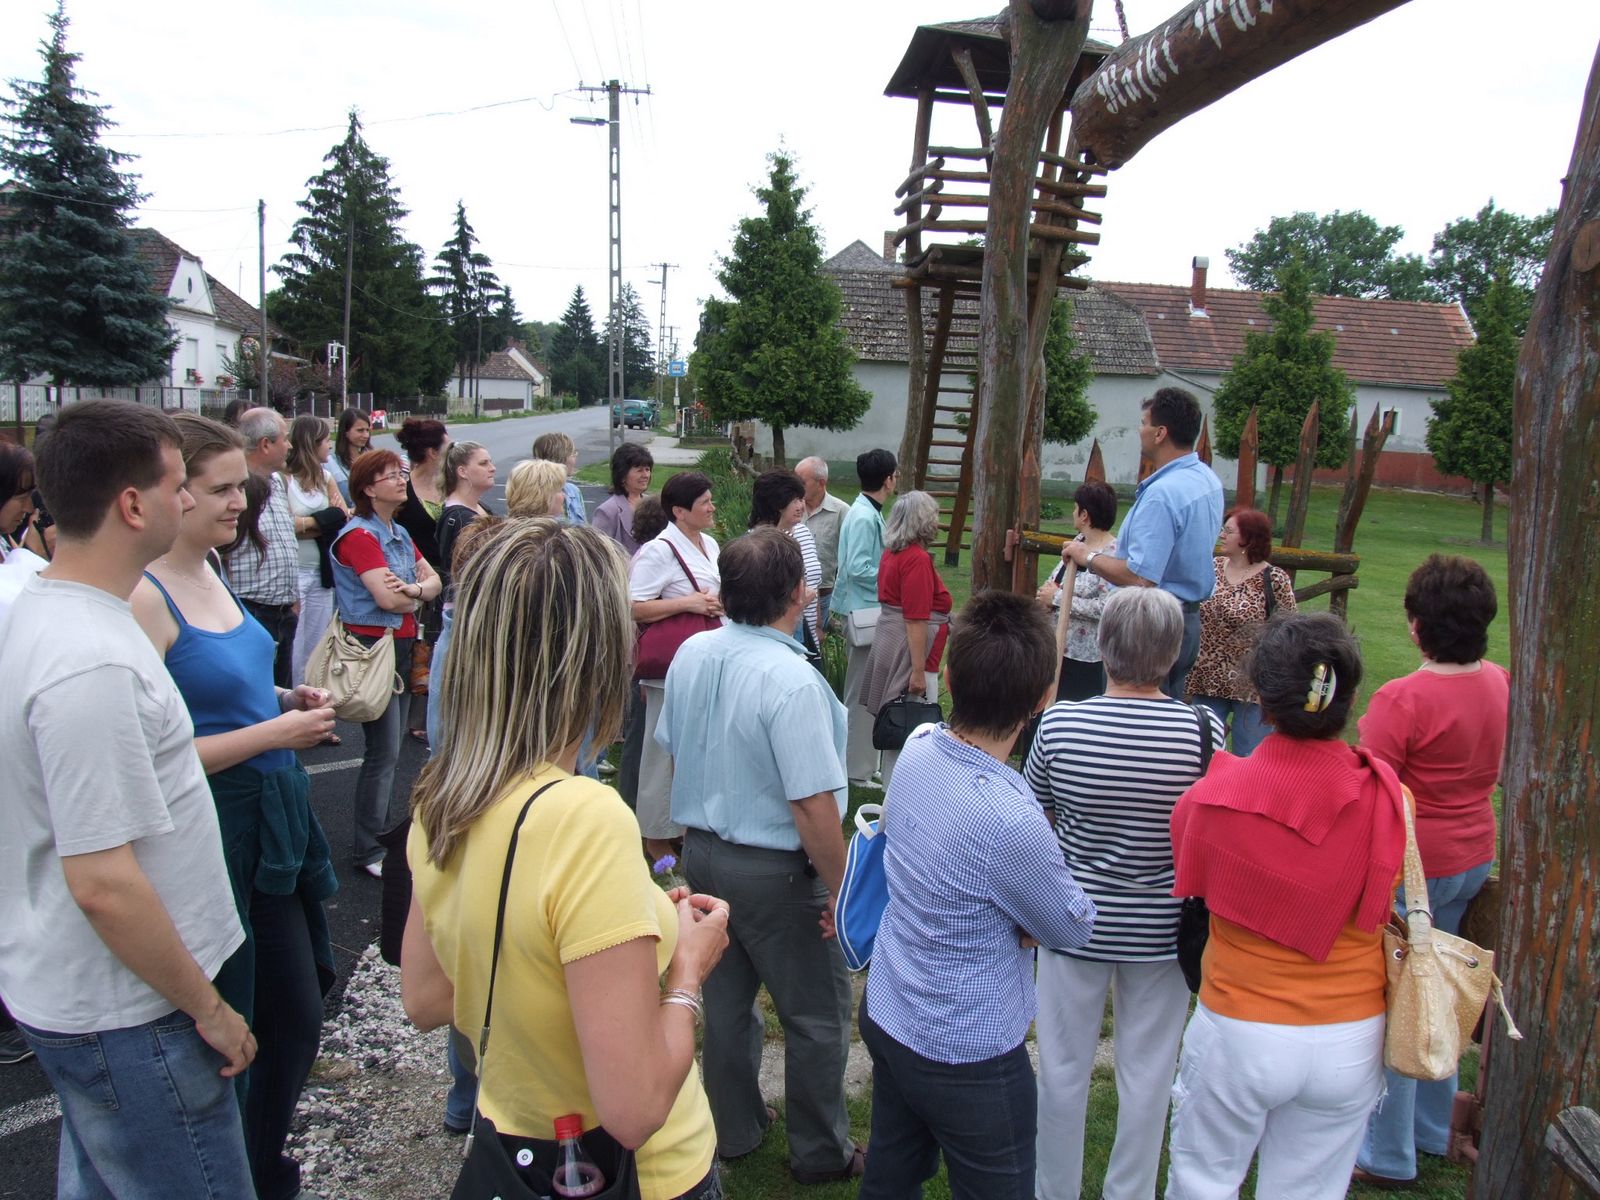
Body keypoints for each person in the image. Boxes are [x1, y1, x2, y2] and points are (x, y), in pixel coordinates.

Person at [401, 518, 731, 1200]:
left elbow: (427, 999)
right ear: (598, 658)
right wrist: (687, 971)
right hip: (641, 1175)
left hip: (515, 1139)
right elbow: (635, 1109)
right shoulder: (584, 818)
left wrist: (624, 928)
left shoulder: (442, 797)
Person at [0, 400, 257, 1196]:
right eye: (180, 485)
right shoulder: (92, 663)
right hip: (133, 1012)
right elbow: (103, 882)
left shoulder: (49, 609)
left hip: (105, 1003)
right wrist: (208, 1008)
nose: (191, 500)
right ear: (133, 505)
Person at [130, 413, 339, 1200]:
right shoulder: (144, 600)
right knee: (243, 1019)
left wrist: (285, 698)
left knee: (297, 1013)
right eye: (220, 489)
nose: (239, 504)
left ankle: (258, 1161)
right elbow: (150, 759)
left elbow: (229, 685)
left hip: (272, 821)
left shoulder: (212, 568)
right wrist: (275, 732)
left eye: (240, 488)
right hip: (218, 832)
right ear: (170, 494)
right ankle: (239, 1173)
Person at [861, 591, 1096, 1200]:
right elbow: (1071, 925)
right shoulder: (1011, 816)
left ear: (951, 674)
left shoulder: (918, 746)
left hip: (891, 1006)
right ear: (1043, 698)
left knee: (890, 1170)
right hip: (967, 1051)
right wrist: (1026, 918)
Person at [1165, 613, 1406, 1200]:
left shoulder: (1205, 802)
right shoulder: (1393, 799)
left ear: (1262, 702)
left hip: (1238, 1029)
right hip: (1351, 1035)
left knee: (1201, 1184)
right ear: (1348, 700)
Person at [657, 527, 863, 1184]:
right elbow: (813, 804)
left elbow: (673, 747)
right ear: (800, 592)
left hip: (705, 852)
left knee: (724, 1004)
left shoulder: (693, 651)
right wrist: (843, 889)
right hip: (776, 870)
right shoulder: (793, 680)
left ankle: (732, 1128)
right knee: (816, 1014)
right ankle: (821, 1153)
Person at [1026, 588, 1223, 1200]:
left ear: (1105, 647)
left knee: (1061, 1069)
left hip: (1073, 922)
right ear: (1173, 651)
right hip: (1162, 930)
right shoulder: (1204, 732)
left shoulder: (1060, 724)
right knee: (1149, 1073)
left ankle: (1053, 1190)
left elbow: (1036, 822)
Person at [1354, 555, 1510, 1189]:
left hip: (1417, 865)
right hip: (1473, 853)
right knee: (1439, 992)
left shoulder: (1404, 698)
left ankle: (1387, 1153)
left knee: (1403, 1002)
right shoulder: (1500, 681)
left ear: (1418, 626)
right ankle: (1433, 1128)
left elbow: (1372, 792)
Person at [1062, 388, 1223, 698]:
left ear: (1160, 433)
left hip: (1150, 629)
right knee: (1166, 714)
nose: (1140, 430)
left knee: (1131, 716)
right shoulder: (1206, 479)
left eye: (1144, 423)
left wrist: (1088, 556)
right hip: (1186, 621)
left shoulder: (1164, 494)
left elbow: (1140, 577)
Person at [330, 449, 442, 877]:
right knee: (384, 752)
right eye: (390, 475)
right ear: (367, 488)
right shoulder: (360, 536)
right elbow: (386, 598)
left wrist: (413, 591)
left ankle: (379, 839)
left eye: (401, 473)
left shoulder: (397, 531)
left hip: (400, 644)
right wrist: (415, 593)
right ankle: (369, 847)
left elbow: (432, 581)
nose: (401, 480)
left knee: (389, 752)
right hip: (374, 647)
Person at [630, 471, 724, 862]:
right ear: (679, 511)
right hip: (670, 663)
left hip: (704, 657)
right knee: (660, 748)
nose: (712, 507)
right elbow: (634, 606)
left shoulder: (710, 544)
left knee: (694, 748)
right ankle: (654, 834)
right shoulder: (659, 551)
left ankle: (684, 826)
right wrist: (689, 603)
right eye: (705, 502)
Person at [1186, 507, 1296, 756]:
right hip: (1207, 679)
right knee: (1203, 753)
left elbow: (1288, 628)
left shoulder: (1274, 579)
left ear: (1248, 537)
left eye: (1228, 531)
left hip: (1252, 684)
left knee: (1251, 755)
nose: (1221, 535)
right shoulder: (1212, 567)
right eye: (1222, 529)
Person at [859, 490, 951, 788]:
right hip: (909, 649)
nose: (937, 522)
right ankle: (901, 792)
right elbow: (915, 618)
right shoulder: (916, 558)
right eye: (933, 516)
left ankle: (892, 788)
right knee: (911, 721)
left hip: (890, 638)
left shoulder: (892, 553)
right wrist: (918, 670)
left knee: (897, 720)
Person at [833, 448, 898, 786]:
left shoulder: (868, 511)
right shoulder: (862, 516)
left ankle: (864, 763)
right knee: (862, 695)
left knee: (871, 692)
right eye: (894, 475)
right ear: (888, 480)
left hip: (867, 611)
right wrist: (893, 577)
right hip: (863, 614)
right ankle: (854, 769)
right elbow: (857, 568)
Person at [225, 407, 302, 689]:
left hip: (283, 611)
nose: (290, 446)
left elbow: (285, 537)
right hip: (251, 609)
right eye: (285, 438)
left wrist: (293, 598)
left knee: (281, 691)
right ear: (265, 444)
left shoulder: (278, 482)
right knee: (254, 690)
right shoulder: (236, 487)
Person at [393, 418, 451, 745]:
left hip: (446, 578)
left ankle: (432, 713)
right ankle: (411, 715)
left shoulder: (448, 486)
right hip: (415, 577)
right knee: (417, 648)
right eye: (446, 445)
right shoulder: (404, 488)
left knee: (439, 646)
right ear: (432, 452)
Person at [281, 415, 349, 689]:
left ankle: (313, 698)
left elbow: (341, 517)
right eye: (324, 440)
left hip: (321, 573)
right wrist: (322, 522)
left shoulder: (325, 478)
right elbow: (285, 526)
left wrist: (306, 524)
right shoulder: (284, 479)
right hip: (295, 571)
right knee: (294, 645)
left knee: (317, 644)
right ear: (311, 443)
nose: (329, 445)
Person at [1036, 480, 1119, 701]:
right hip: (1054, 648)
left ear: (1084, 515)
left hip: (1084, 659)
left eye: (1075, 508)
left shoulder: (1111, 554)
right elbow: (1054, 581)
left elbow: (1107, 607)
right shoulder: (1077, 543)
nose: (1073, 513)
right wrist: (1046, 597)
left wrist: (1057, 598)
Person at [747, 468, 821, 650]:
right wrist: (801, 601)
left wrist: (817, 625)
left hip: (805, 631)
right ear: (776, 502)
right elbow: (758, 602)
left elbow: (813, 582)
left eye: (801, 499)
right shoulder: (756, 545)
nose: (801, 506)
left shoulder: (802, 532)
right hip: (776, 638)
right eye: (794, 500)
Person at [433, 440, 496, 601]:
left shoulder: (479, 506)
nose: (492, 468)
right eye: (483, 463)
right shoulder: (459, 518)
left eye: (490, 462)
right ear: (462, 471)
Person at [794, 455, 849, 632]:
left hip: (824, 593)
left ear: (821, 483)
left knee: (816, 639)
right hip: (790, 594)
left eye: (802, 482)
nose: (796, 486)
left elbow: (849, 555)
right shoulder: (791, 509)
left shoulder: (841, 511)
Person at [592, 441, 655, 555]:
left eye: (647, 469)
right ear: (622, 475)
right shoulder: (607, 511)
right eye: (639, 470)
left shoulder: (653, 505)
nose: (645, 475)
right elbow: (597, 553)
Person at [532, 429, 587, 523]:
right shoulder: (533, 495)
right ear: (559, 459)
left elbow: (585, 527)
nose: (575, 458)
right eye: (573, 454)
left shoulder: (573, 491)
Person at [326, 407, 372, 505]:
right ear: (345, 432)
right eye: (360, 430)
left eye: (367, 430)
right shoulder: (330, 463)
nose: (366, 435)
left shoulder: (371, 460)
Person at [506, 458, 571, 519]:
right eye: (560, 490)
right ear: (542, 496)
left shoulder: (508, 526)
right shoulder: (548, 527)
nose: (564, 495)